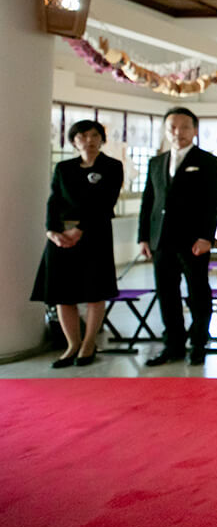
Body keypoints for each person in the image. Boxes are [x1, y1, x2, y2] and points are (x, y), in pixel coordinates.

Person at [31, 119, 123, 368]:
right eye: (82, 136)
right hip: (62, 237)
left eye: (94, 136)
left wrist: (81, 229)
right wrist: (52, 231)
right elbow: (54, 200)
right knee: (63, 294)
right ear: (73, 141)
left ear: (101, 139)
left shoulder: (112, 167)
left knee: (95, 292)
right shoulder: (64, 168)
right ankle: (72, 345)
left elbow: (106, 203)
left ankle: (88, 344)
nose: (88, 141)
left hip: (95, 235)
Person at [138, 107, 217, 367]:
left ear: (195, 130)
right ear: (166, 131)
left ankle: (198, 343)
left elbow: (214, 203)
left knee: (198, 292)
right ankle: (173, 345)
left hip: (193, 240)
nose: (179, 133)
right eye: (172, 128)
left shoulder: (208, 162)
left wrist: (206, 236)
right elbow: (148, 202)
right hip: (161, 240)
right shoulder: (156, 162)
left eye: (185, 127)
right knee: (167, 294)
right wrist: (144, 237)